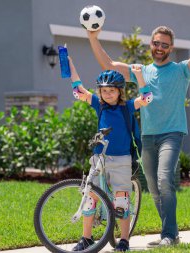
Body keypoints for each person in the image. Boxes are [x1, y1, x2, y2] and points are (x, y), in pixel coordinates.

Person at [86, 13, 190, 247]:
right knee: (154, 188)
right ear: (151, 44)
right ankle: (171, 235)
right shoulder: (142, 70)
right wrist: (92, 37)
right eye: (156, 43)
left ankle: (169, 234)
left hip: (172, 133)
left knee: (165, 178)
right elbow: (109, 65)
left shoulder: (181, 70)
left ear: (171, 47)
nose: (159, 47)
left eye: (164, 45)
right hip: (148, 136)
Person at [68, 57, 149, 252]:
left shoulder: (127, 107)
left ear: (120, 91)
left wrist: (139, 76)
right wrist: (69, 63)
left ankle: (124, 240)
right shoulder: (99, 104)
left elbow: (146, 98)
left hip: (121, 159)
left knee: (121, 200)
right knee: (90, 197)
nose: (108, 94)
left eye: (112, 90)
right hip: (99, 158)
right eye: (104, 91)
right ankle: (86, 238)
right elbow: (79, 90)